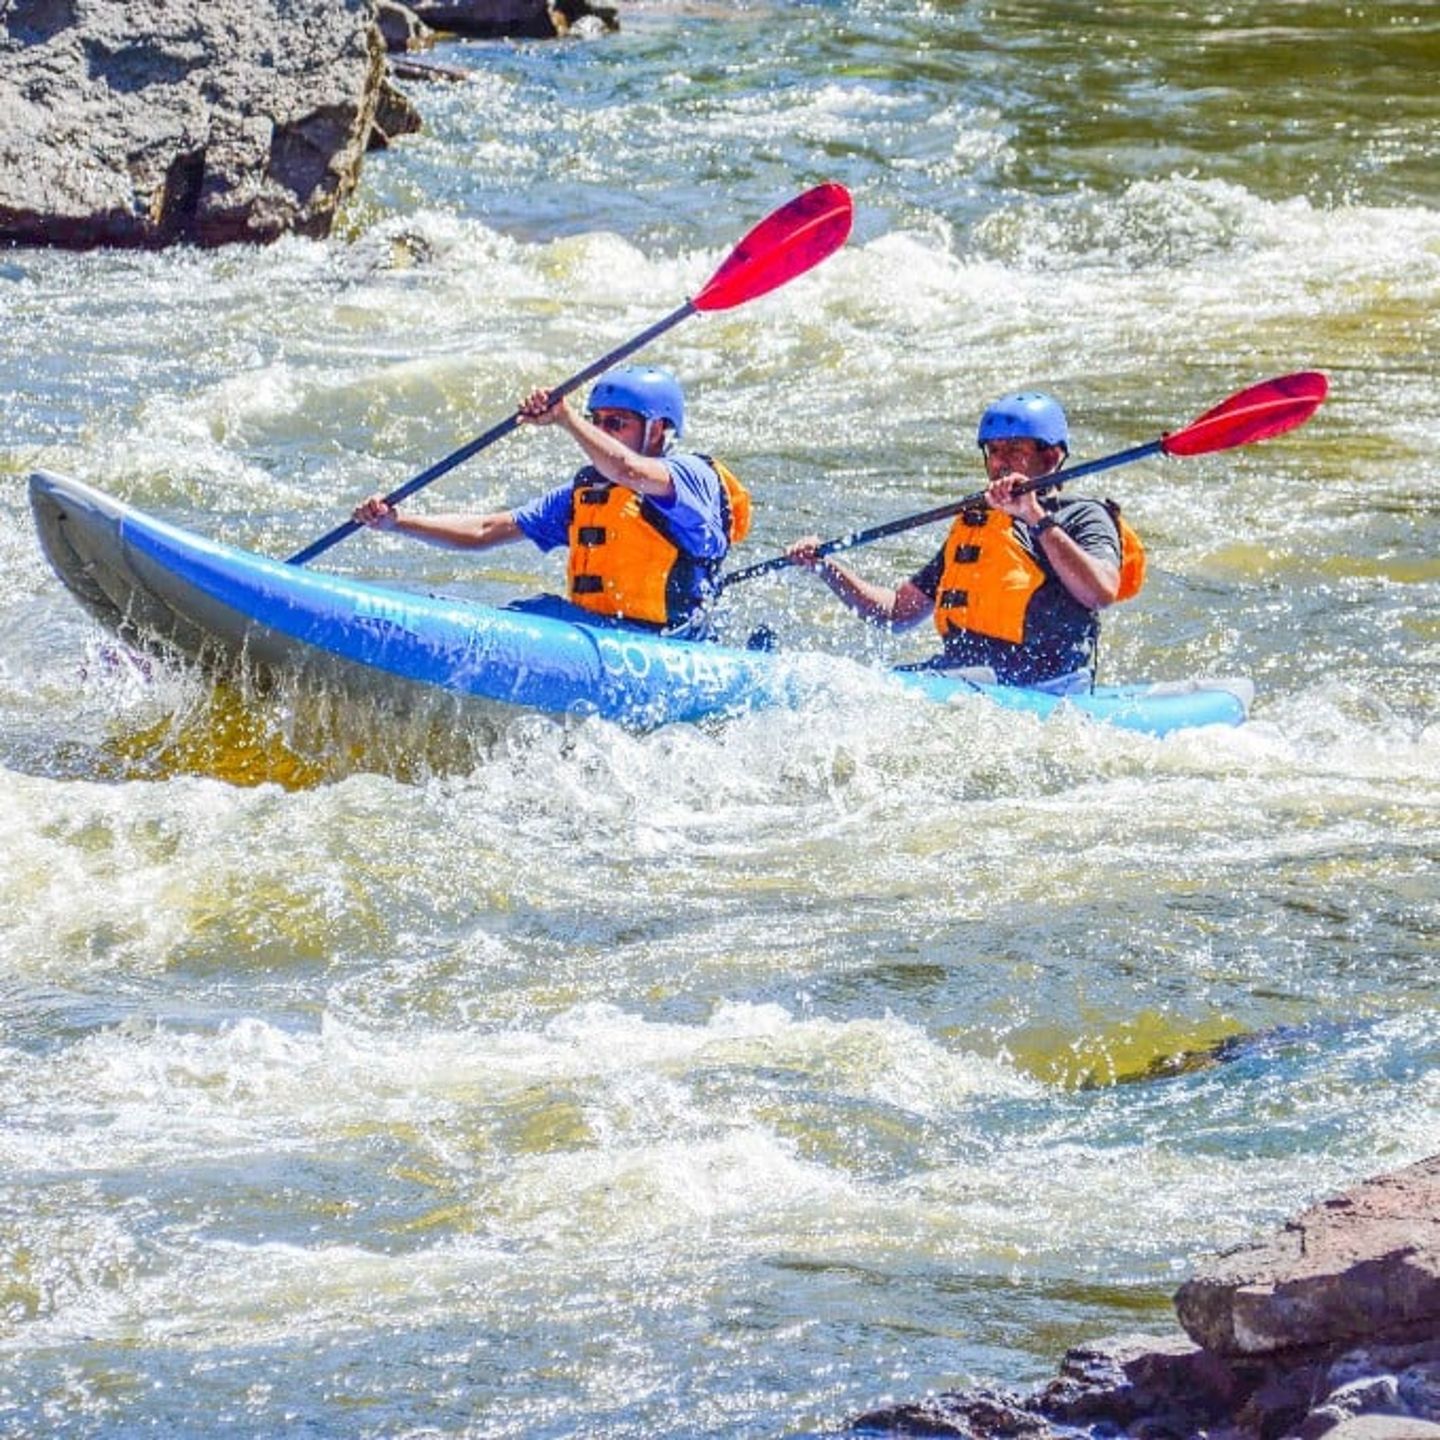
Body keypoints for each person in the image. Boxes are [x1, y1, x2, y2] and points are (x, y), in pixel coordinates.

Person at [352, 364, 750, 638]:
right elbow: (486, 531)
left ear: (658, 430)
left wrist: (565, 418)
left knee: (543, 614)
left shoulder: (690, 475)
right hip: (596, 633)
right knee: (535, 611)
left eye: (616, 423)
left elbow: (629, 471)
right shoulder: (588, 494)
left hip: (667, 642)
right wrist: (398, 521)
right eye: (596, 421)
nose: (602, 431)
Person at [786, 391, 1141, 690]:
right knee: (861, 682)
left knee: (885, 690)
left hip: (1045, 683)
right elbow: (897, 613)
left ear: (1050, 457)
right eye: (993, 451)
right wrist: (825, 567)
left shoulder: (1082, 515)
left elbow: (1100, 593)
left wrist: (1033, 515)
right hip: (967, 675)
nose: (1000, 462)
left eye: (1014, 449)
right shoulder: (979, 522)